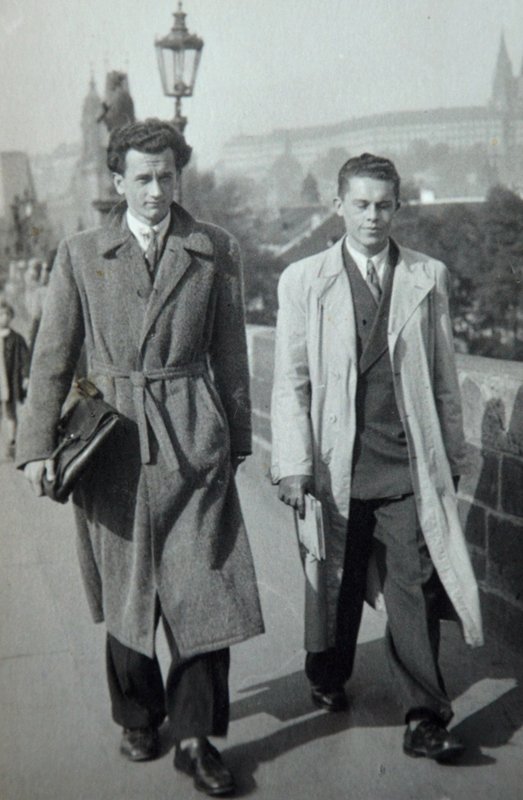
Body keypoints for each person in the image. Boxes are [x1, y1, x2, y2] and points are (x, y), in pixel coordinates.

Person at [17, 118, 264, 796]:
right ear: (117, 181)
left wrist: (236, 438)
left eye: (167, 177)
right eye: (143, 178)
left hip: (193, 439)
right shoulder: (80, 254)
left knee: (204, 589)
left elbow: (231, 352)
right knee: (129, 587)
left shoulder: (213, 249)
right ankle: (138, 714)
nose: (157, 191)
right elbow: (53, 355)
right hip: (113, 444)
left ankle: (196, 739)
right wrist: (35, 447)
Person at [271, 153, 483, 763]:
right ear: (338, 206)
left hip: (405, 465)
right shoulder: (304, 280)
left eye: (384, 205)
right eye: (361, 204)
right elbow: (291, 382)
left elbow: (444, 378)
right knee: (336, 582)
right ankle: (327, 670)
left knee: (413, 584)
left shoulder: (426, 276)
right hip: (336, 466)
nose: (372, 217)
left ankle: (424, 716)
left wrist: (451, 455)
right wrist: (294, 464)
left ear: (398, 207)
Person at [0, 295, 30, 459]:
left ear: (11, 316)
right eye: (0, 314)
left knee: (11, 413)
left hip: (9, 382)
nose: (3, 318)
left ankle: (11, 442)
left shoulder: (16, 339)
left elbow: (25, 358)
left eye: (6, 314)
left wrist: (26, 376)